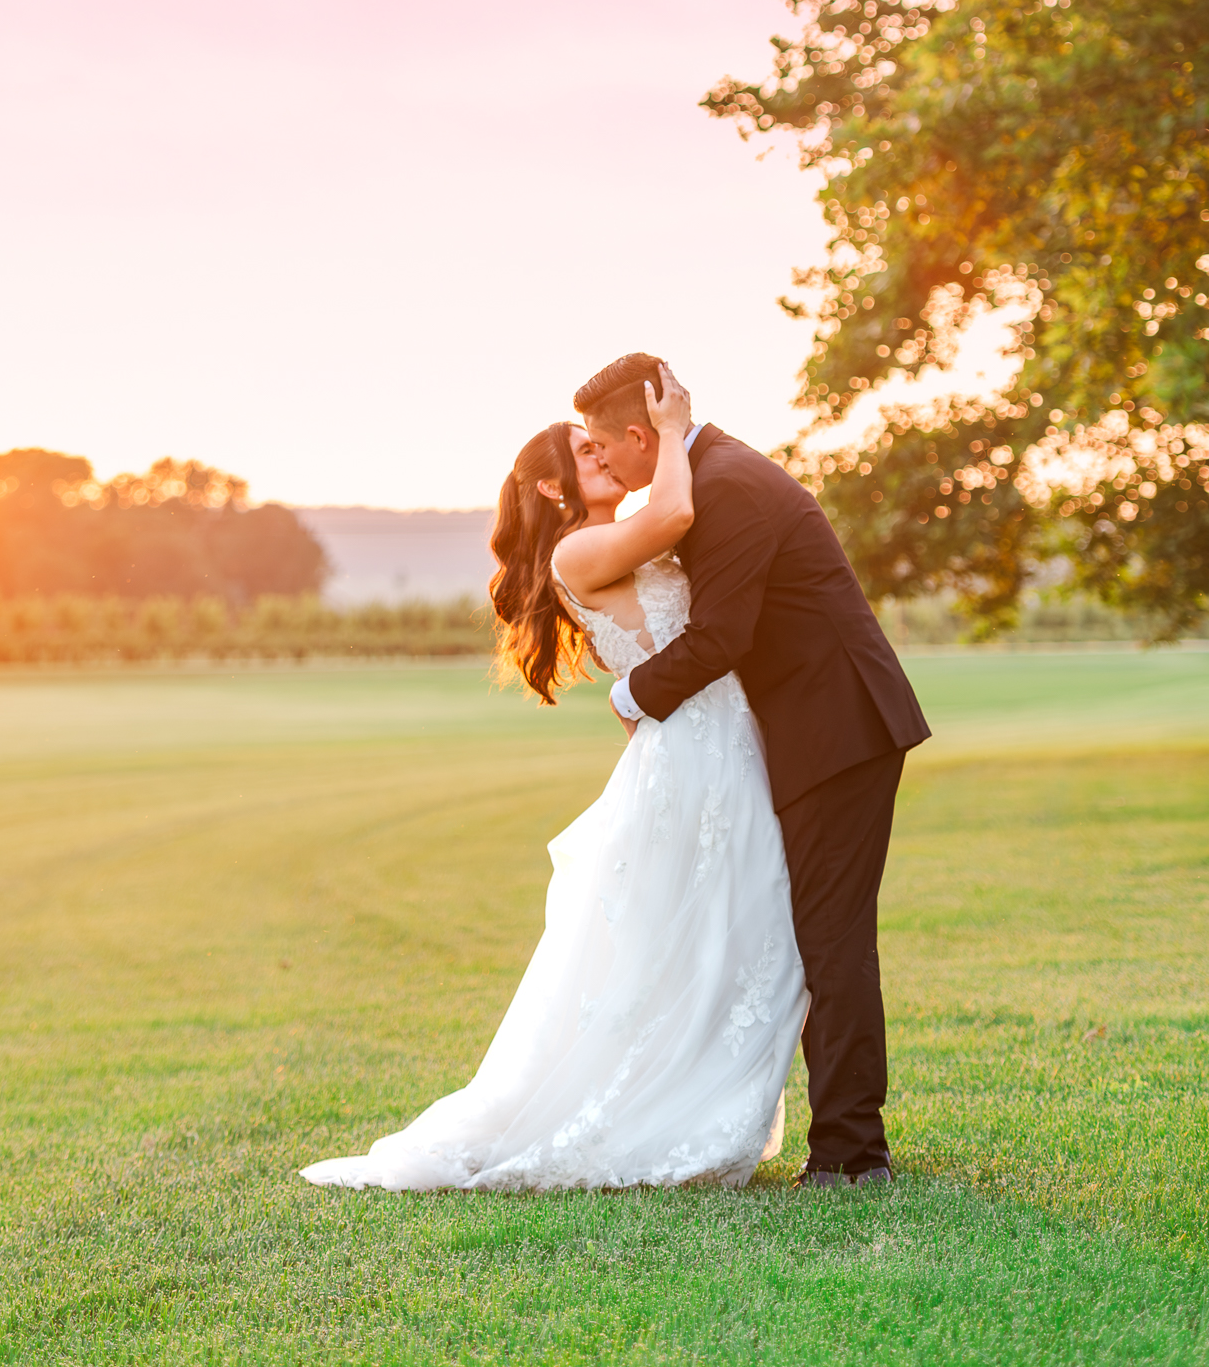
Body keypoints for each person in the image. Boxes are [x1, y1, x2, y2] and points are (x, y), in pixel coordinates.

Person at [300, 367, 807, 1193]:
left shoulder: (615, 530)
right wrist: (673, 427)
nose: (601, 453)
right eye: (583, 449)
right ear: (550, 483)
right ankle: (658, 1113)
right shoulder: (579, 548)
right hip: (694, 752)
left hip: (715, 741)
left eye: (601, 442)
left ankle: (693, 1096)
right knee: (716, 932)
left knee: (726, 934)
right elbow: (677, 510)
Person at [575, 353, 931, 1189]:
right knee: (821, 934)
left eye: (601, 443)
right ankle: (847, 1141)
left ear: (638, 434)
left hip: (836, 728)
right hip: (818, 726)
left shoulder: (726, 484)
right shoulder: (706, 475)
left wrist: (631, 694)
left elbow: (722, 635)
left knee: (830, 938)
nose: (605, 462)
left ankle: (852, 1153)